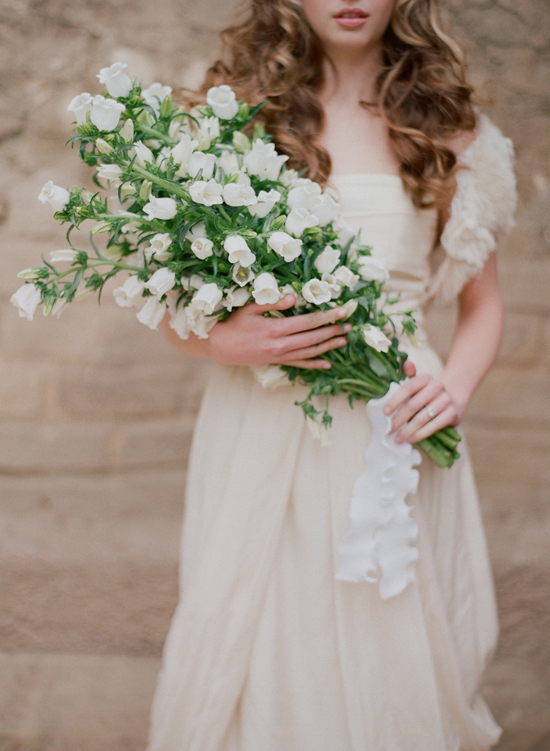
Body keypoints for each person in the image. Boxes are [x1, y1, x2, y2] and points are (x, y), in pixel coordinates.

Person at [146, 1, 517, 749]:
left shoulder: (445, 125)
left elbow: (484, 306)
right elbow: (168, 306)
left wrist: (455, 390)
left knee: (399, 630)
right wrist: (226, 343)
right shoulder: (235, 118)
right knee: (264, 633)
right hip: (263, 419)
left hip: (400, 418)